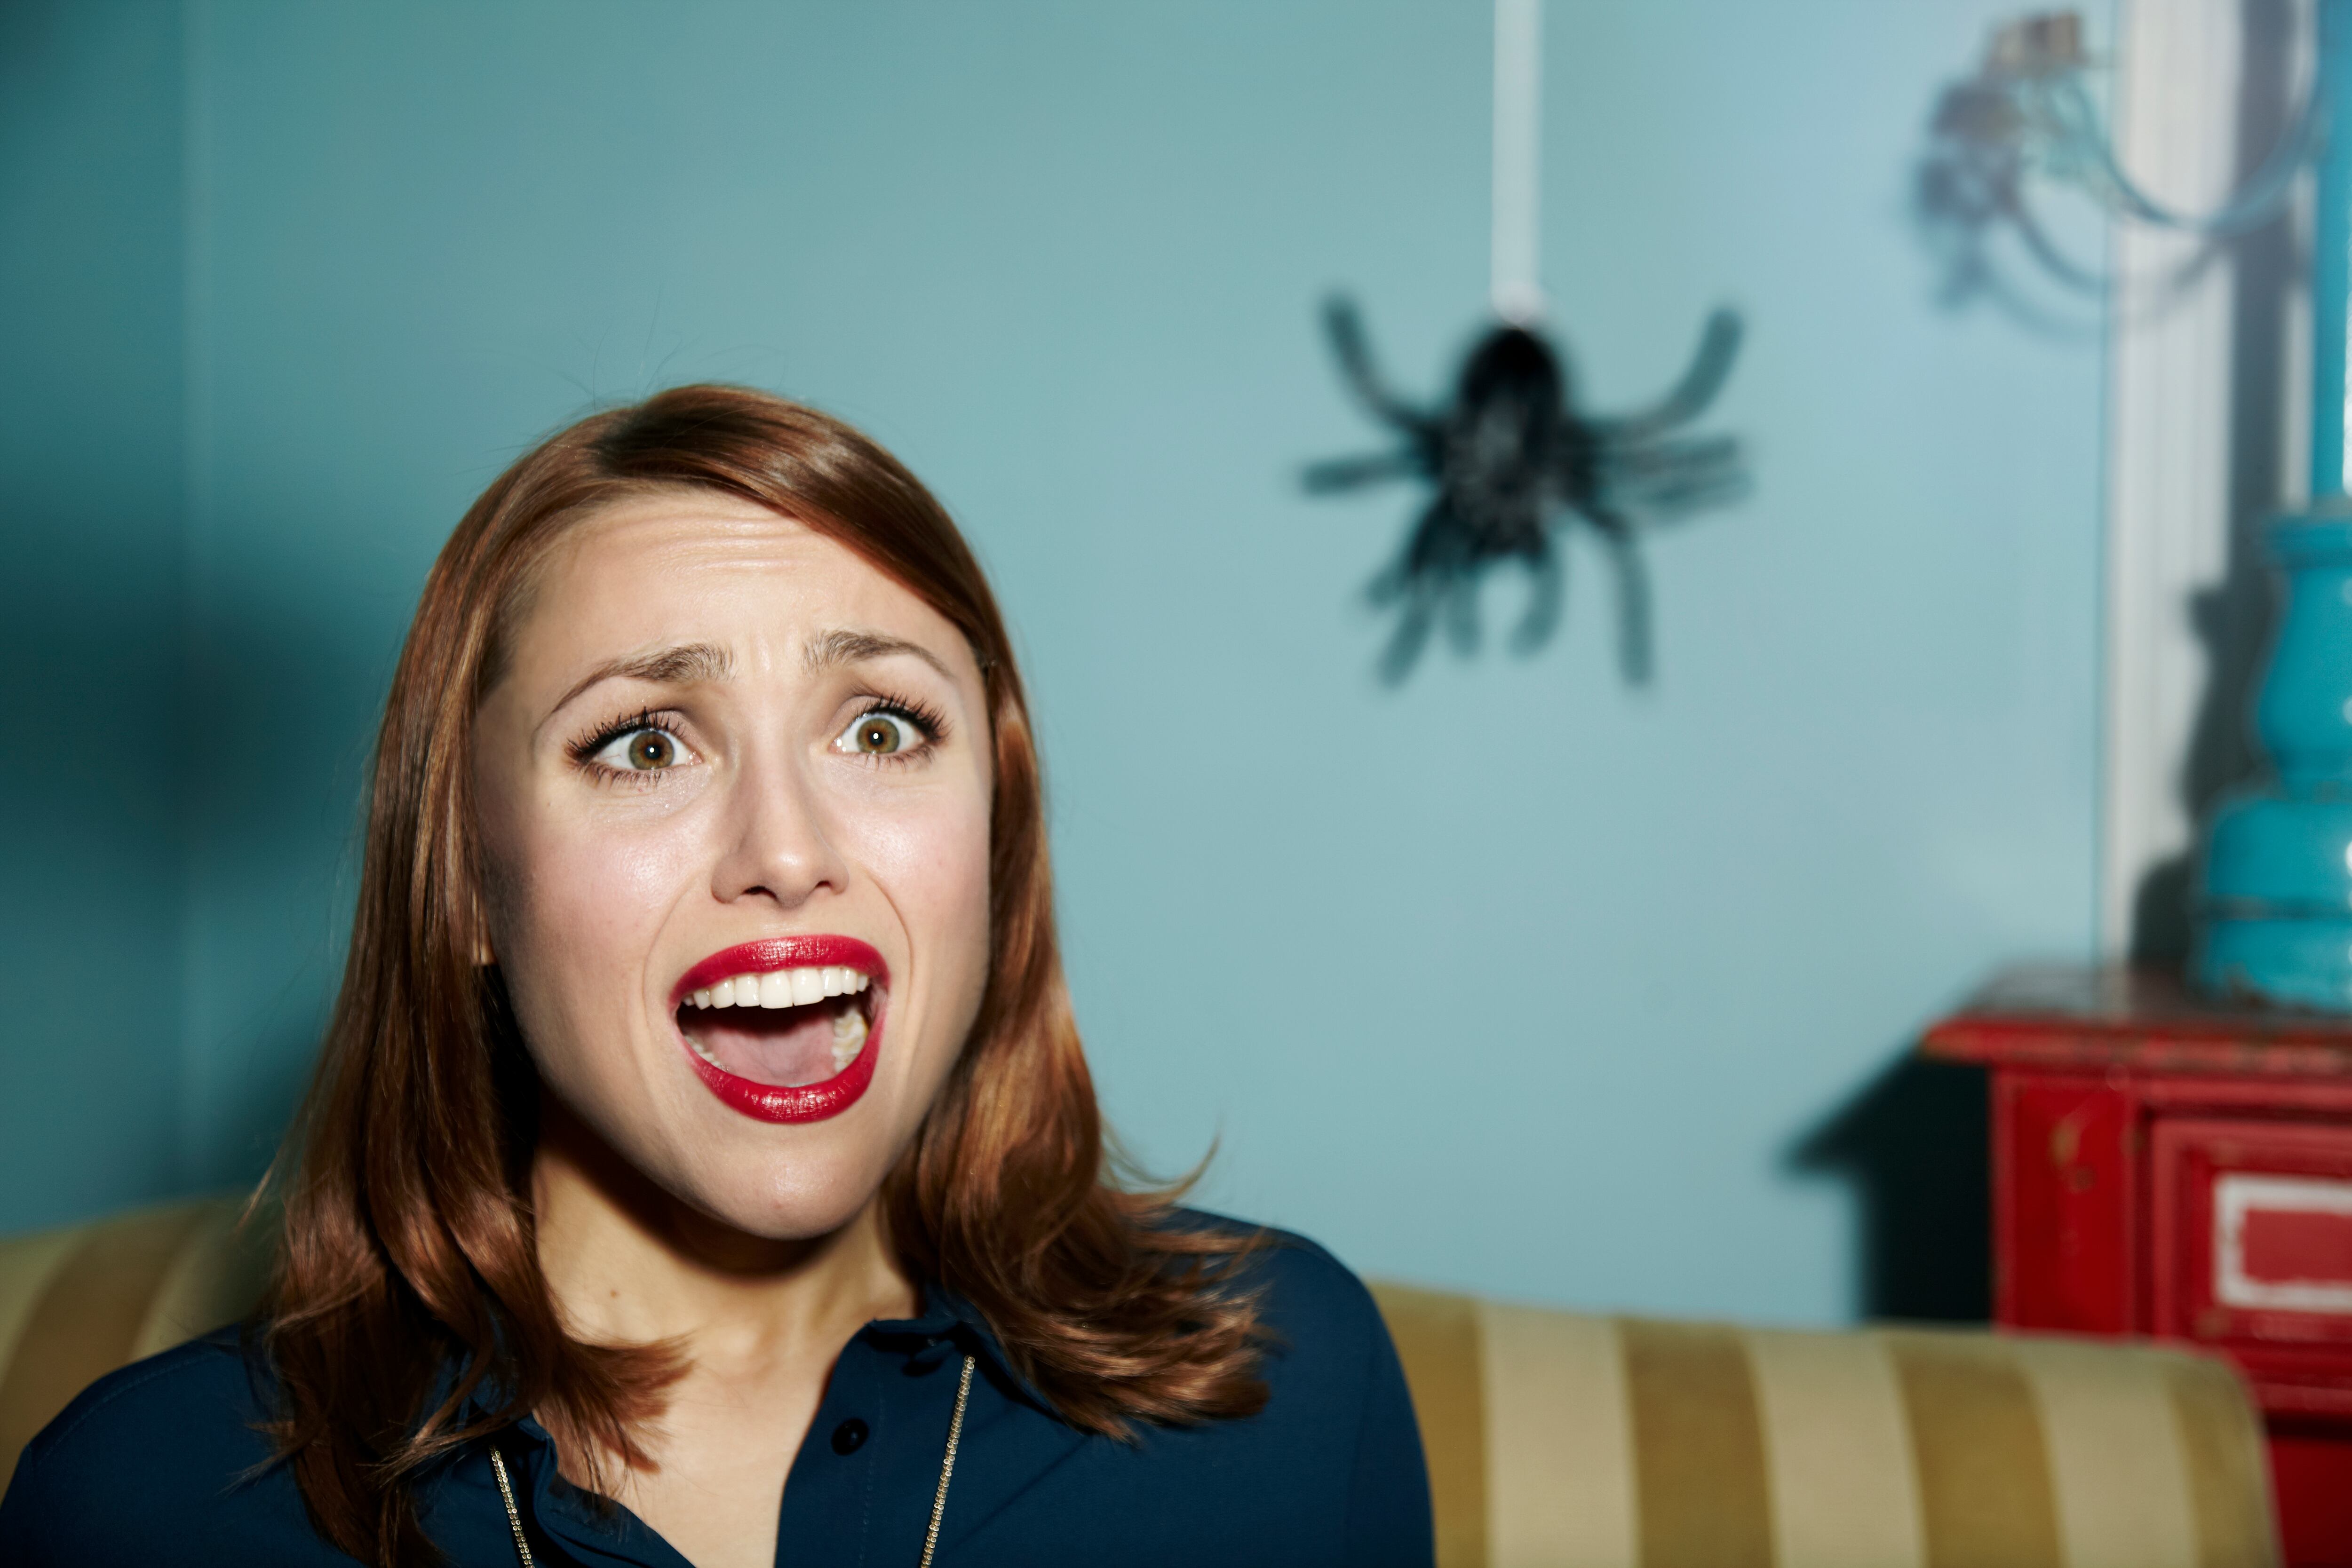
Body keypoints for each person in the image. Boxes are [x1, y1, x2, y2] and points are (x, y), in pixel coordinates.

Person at [0, 386, 1433, 1567]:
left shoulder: (1287, 1387)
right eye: (642, 743)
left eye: (880, 728)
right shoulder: (141, 1509)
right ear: (470, 885)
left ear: (994, 840)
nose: (789, 851)